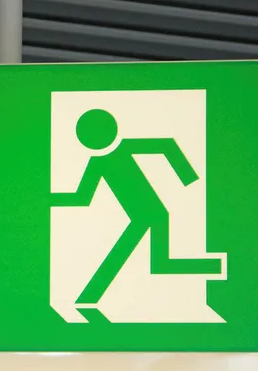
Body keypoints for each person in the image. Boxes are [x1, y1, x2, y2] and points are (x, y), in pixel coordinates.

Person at [53, 108, 223, 306]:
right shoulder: (96, 163)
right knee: (160, 262)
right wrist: (50, 199)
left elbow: (165, 145)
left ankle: (89, 297)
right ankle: (214, 266)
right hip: (147, 214)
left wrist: (187, 176)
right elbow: (83, 197)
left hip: (150, 213)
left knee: (146, 258)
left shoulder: (123, 148)